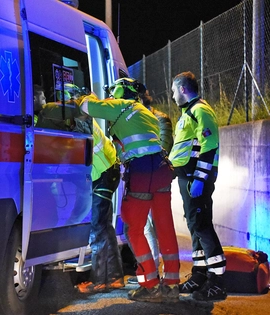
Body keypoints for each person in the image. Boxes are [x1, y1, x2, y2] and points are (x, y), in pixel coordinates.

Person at [77, 78, 180, 303]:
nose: (111, 95)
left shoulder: (121, 105)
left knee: (134, 228)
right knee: (164, 226)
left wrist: (88, 96)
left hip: (142, 171)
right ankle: (172, 285)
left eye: (114, 91)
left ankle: (150, 286)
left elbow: (85, 106)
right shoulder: (144, 111)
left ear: (121, 91)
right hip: (162, 169)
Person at [169, 71, 227, 301]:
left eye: (174, 91)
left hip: (195, 178)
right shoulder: (188, 113)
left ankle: (218, 282)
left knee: (202, 226)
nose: (172, 96)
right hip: (188, 178)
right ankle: (200, 275)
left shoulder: (200, 111)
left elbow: (209, 144)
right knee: (195, 225)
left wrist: (200, 180)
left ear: (183, 89)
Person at [126, 89, 174, 284]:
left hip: (155, 178)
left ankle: (160, 275)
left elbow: (163, 147)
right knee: (145, 226)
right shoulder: (135, 119)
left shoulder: (159, 119)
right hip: (142, 178)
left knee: (156, 226)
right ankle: (151, 272)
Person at [75, 119, 125, 293]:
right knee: (105, 228)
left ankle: (99, 281)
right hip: (107, 172)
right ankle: (115, 278)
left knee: (97, 229)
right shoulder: (85, 116)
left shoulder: (79, 118)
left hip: (103, 173)